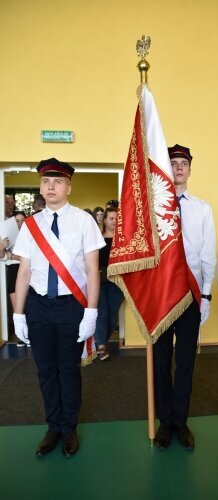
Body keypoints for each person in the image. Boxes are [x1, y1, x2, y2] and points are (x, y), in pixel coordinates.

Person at [13, 158, 105, 457]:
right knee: (45, 371)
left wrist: (91, 312)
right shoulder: (31, 225)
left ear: (68, 186)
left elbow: (93, 271)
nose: (50, 186)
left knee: (69, 370)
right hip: (39, 307)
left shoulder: (83, 221)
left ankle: (69, 429)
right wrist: (18, 313)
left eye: (57, 181)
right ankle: (52, 427)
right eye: (45, 182)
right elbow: (24, 271)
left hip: (70, 307)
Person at [153, 144, 216, 451]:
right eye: (173, 163)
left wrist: (205, 296)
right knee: (162, 360)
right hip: (162, 295)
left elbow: (207, 255)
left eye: (183, 163)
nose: (178, 168)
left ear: (190, 170)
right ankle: (164, 422)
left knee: (186, 361)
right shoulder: (153, 208)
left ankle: (181, 421)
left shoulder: (201, 208)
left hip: (191, 293)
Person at [95, 207, 124, 360]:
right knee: (102, 313)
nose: (114, 221)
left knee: (112, 314)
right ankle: (101, 346)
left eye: (117, 218)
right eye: (111, 218)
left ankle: (101, 341)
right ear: (105, 220)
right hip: (98, 281)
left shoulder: (123, 240)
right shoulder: (97, 238)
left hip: (117, 282)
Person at [0, 211, 28, 347]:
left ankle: (31, 335)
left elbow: (29, 258)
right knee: (16, 304)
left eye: (22, 220)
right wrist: (2, 247)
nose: (20, 223)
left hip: (26, 270)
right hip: (12, 270)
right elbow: (1, 256)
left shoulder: (29, 236)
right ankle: (22, 336)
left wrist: (12, 256)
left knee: (28, 303)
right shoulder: (7, 237)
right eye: (17, 220)